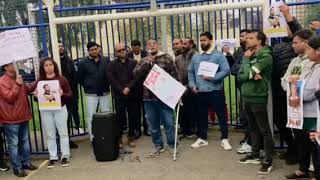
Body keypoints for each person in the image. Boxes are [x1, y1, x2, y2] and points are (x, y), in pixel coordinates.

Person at [133, 39, 180, 156]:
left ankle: (172, 145)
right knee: (153, 124)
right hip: (148, 98)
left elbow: (175, 75)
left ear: (158, 45)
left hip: (165, 98)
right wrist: (146, 63)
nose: (151, 45)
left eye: (154, 44)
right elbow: (135, 73)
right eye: (149, 44)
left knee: (169, 123)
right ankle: (158, 145)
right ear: (146, 47)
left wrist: (178, 94)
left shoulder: (167, 58)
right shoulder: (143, 60)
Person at [237, 30, 274, 174]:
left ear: (260, 41)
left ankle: (268, 161)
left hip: (258, 98)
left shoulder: (266, 56)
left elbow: (246, 73)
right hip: (247, 97)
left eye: (251, 38)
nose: (247, 40)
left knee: (264, 130)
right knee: (253, 128)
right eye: (247, 38)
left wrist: (246, 62)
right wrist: (249, 73)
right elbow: (240, 76)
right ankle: (255, 154)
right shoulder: (250, 54)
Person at [188, 32, 232, 150]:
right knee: (202, 115)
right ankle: (202, 138)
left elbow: (226, 70)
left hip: (215, 90)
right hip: (200, 91)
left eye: (204, 40)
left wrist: (213, 77)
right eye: (201, 40)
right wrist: (192, 85)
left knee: (221, 115)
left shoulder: (218, 56)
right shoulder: (196, 56)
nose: (202, 42)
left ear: (211, 41)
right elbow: (191, 72)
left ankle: (224, 138)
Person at [285, 36, 320, 180]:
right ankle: (303, 169)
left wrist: (293, 87)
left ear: (318, 51)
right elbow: (292, 80)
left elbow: (308, 92)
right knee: (301, 142)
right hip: (301, 112)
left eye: (310, 49)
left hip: (313, 114)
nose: (307, 52)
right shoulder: (310, 64)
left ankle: (316, 174)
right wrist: (293, 86)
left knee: (315, 146)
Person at [272, 4, 303, 165]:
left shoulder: (298, 44)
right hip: (278, 87)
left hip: (293, 88)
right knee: (279, 118)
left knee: (295, 121)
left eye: (287, 25)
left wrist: (287, 14)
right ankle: (292, 148)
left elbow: (298, 30)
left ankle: (298, 153)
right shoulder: (277, 43)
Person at [31, 58, 72, 169]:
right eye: (46, 65)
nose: (49, 67)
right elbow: (37, 98)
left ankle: (65, 156)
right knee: (50, 134)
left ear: (54, 66)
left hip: (60, 109)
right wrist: (36, 96)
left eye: (51, 65)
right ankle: (53, 157)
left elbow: (70, 94)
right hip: (46, 110)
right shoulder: (39, 81)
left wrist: (63, 94)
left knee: (63, 133)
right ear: (43, 68)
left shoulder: (61, 79)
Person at [0, 63, 38, 177]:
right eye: (12, 63)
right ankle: (17, 167)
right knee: (13, 144)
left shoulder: (18, 77)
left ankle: (25, 162)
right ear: (6, 67)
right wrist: (17, 84)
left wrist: (39, 80)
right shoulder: (2, 81)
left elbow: (27, 89)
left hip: (23, 115)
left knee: (25, 141)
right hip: (11, 118)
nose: (15, 65)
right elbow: (9, 98)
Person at [107, 43, 140, 148]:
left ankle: (130, 137)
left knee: (133, 117)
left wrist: (128, 87)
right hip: (119, 96)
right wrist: (122, 89)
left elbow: (136, 77)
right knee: (120, 118)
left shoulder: (134, 62)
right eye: (119, 50)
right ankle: (119, 138)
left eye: (123, 49)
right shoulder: (111, 65)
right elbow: (112, 79)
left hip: (132, 95)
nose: (122, 51)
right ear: (116, 53)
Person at [77, 41, 111, 141]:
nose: (94, 51)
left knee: (106, 113)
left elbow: (109, 74)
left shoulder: (105, 60)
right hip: (91, 94)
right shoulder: (83, 63)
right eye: (91, 50)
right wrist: (88, 85)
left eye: (95, 49)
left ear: (98, 49)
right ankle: (92, 137)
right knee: (91, 115)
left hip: (104, 92)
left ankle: (107, 134)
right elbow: (79, 78)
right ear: (88, 51)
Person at [231, 29, 252, 154]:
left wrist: (243, 69)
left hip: (253, 90)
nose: (243, 39)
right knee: (244, 116)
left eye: (246, 36)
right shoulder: (240, 51)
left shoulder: (257, 52)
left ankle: (251, 141)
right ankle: (247, 137)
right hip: (241, 87)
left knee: (251, 117)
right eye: (242, 36)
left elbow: (249, 71)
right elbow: (233, 68)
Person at [58, 42, 81, 149]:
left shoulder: (69, 61)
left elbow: (75, 78)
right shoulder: (52, 62)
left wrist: (71, 92)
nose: (60, 48)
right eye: (58, 46)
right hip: (56, 96)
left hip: (68, 94)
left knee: (67, 118)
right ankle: (59, 141)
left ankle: (67, 139)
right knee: (58, 120)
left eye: (62, 46)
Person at [175, 37, 198, 140]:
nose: (183, 46)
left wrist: (189, 86)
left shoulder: (197, 56)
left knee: (192, 110)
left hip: (193, 88)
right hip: (180, 88)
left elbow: (197, 74)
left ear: (191, 45)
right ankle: (184, 131)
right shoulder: (178, 58)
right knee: (182, 111)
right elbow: (175, 73)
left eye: (185, 44)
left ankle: (193, 130)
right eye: (182, 43)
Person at [127, 40, 149, 137]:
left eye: (137, 47)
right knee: (135, 110)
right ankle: (137, 131)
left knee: (146, 109)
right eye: (133, 47)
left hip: (145, 85)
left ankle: (147, 129)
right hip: (134, 86)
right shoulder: (128, 55)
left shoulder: (146, 54)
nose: (135, 49)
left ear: (140, 46)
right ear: (131, 47)